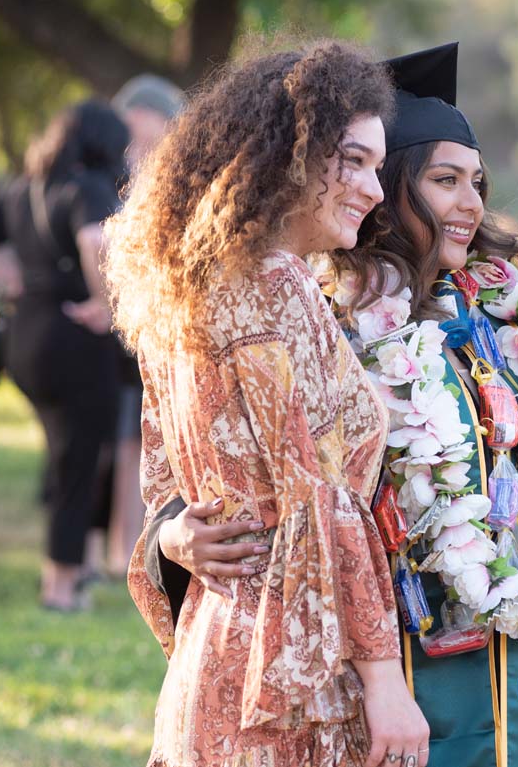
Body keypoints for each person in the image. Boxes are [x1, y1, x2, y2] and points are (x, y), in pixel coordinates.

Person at [142, 43, 518, 767]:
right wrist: (173, 535)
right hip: (334, 661)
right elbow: (268, 489)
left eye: (478, 182)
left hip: (444, 661)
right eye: (445, 179)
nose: (472, 203)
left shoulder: (502, 328)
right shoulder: (319, 300)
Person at [102, 40, 428, 767]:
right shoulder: (278, 284)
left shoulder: (183, 290)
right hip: (287, 672)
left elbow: (164, 487)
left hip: (212, 647)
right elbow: (320, 497)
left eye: (378, 167)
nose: (375, 190)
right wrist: (384, 680)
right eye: (355, 161)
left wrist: (175, 537)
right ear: (290, 156)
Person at [0, 100, 128, 611]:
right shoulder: (88, 186)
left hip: (26, 335)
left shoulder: (24, 188)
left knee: (62, 457)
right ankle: (60, 588)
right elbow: (95, 240)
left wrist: (13, 276)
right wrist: (106, 303)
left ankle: (72, 568)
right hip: (74, 336)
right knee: (78, 463)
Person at [88, 74, 187, 579]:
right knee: (106, 445)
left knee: (139, 445)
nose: (138, 153)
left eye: (149, 141)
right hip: (106, 335)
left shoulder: (177, 187)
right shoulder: (100, 179)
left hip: (154, 332)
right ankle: (105, 549)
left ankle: (129, 550)